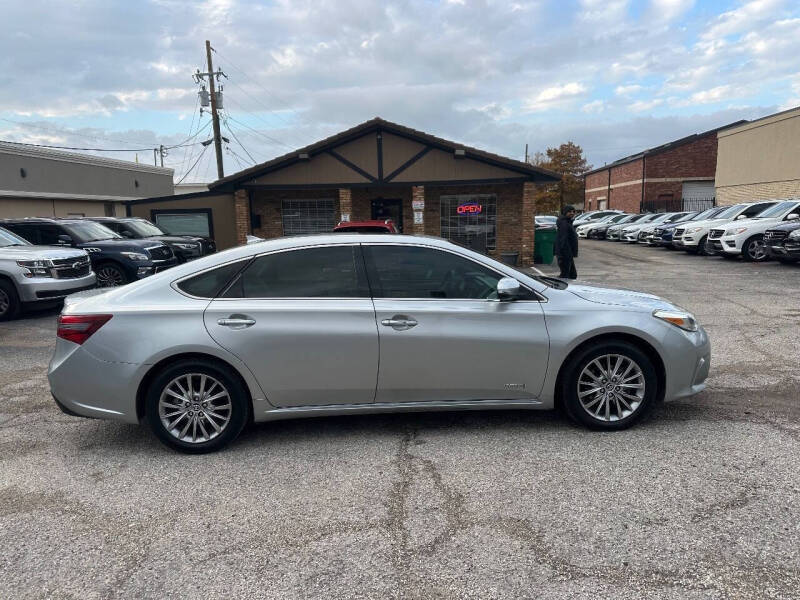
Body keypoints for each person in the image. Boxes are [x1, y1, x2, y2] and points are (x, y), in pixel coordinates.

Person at [555, 205, 578, 279]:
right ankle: (564, 289)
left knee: (572, 274)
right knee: (566, 275)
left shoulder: (567, 221)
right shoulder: (563, 222)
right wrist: (564, 253)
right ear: (565, 212)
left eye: (573, 211)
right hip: (565, 252)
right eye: (570, 211)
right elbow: (563, 238)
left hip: (568, 252)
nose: (572, 213)